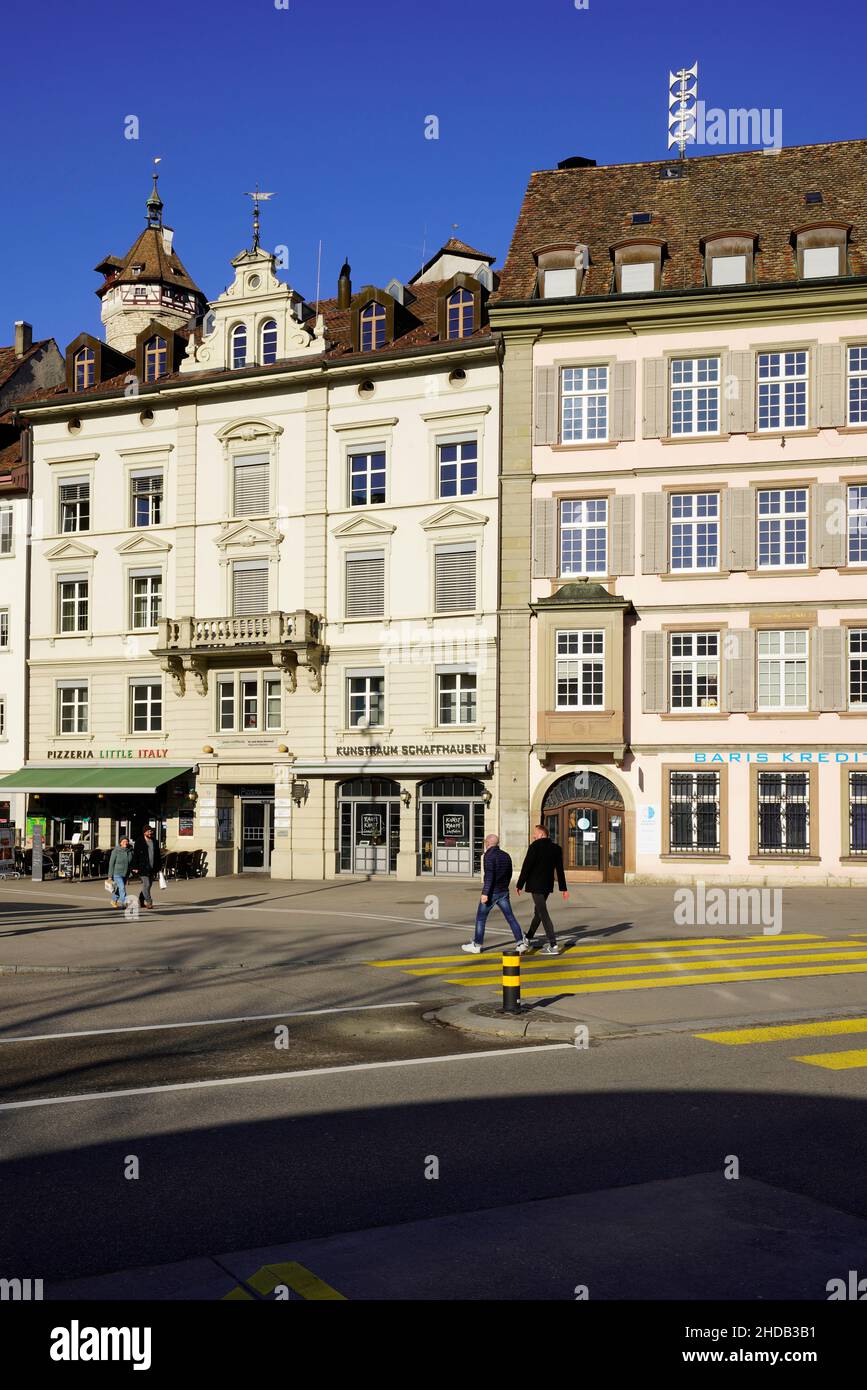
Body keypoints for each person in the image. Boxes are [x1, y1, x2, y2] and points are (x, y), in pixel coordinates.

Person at [462, 833, 529, 955]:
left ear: (487, 843)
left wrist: (485, 893)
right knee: (510, 918)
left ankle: (477, 945)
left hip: (492, 893)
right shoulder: (506, 855)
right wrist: (504, 886)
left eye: (485, 843)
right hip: (503, 892)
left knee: (481, 919)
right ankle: (520, 943)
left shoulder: (488, 856)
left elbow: (489, 876)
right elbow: (509, 874)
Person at [516, 824, 569, 955]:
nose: (533, 836)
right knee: (538, 912)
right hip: (547, 885)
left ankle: (553, 945)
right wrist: (563, 888)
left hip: (535, 885)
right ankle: (528, 937)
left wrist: (519, 884)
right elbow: (560, 870)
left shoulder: (534, 846)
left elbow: (526, 866)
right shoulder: (556, 848)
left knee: (543, 913)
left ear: (541, 834)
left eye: (535, 834)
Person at [132, 825, 163, 910]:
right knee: (147, 884)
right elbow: (135, 855)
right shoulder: (139, 841)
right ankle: (149, 902)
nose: (150, 832)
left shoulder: (155, 841)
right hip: (142, 867)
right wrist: (135, 866)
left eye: (151, 831)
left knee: (148, 886)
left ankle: (141, 900)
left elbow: (158, 856)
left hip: (152, 867)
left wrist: (159, 866)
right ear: (144, 832)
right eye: (148, 831)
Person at [107, 837, 134, 909]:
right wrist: (110, 875)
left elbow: (131, 862)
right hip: (117, 873)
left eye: (127, 841)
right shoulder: (116, 851)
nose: (125, 842)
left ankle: (113, 900)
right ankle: (124, 903)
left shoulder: (130, 851)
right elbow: (111, 863)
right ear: (120, 843)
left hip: (126, 873)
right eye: (123, 841)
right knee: (122, 888)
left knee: (119, 888)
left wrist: (133, 869)